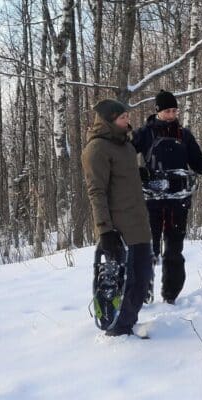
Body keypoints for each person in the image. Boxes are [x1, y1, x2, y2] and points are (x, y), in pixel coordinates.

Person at [132, 90, 202, 304]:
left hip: (178, 201)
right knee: (148, 248)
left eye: (174, 110)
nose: (171, 114)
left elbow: (197, 161)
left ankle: (170, 295)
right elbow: (125, 156)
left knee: (174, 250)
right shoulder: (144, 133)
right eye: (167, 111)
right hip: (152, 201)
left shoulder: (184, 135)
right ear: (158, 112)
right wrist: (138, 172)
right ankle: (144, 293)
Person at [81, 99, 153, 336]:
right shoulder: (97, 149)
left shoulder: (125, 145)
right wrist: (105, 230)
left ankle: (127, 325)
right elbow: (96, 192)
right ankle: (117, 331)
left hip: (139, 224)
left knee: (141, 281)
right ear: (109, 120)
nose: (128, 121)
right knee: (124, 283)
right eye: (123, 117)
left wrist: (139, 175)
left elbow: (122, 181)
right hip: (118, 230)